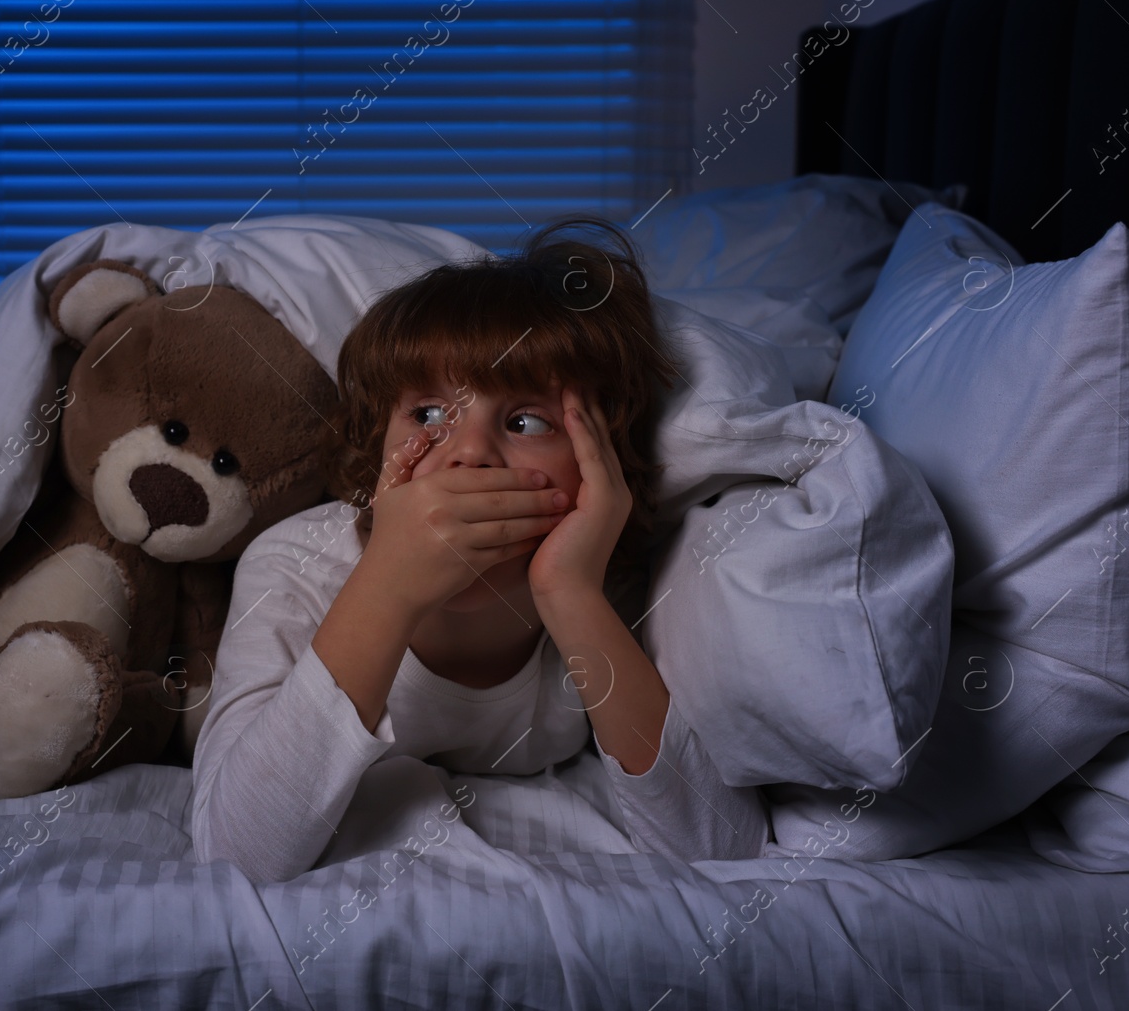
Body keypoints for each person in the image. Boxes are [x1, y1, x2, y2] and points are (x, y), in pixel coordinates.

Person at [189, 217, 770, 883]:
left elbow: (725, 851)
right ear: (379, 441)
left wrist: (570, 594)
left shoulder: (610, 586)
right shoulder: (290, 569)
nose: (467, 451)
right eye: (429, 415)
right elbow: (232, 858)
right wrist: (386, 586)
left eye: (526, 422)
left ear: (600, 465)